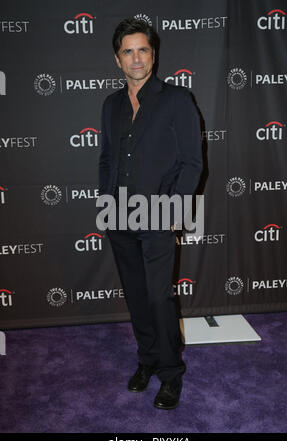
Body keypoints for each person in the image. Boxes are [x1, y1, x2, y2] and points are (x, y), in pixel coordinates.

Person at [98, 18, 203, 409]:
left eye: (143, 49)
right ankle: (146, 361)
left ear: (153, 55)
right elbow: (106, 158)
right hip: (118, 216)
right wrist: (104, 201)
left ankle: (171, 373)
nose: (136, 58)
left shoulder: (177, 99)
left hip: (158, 215)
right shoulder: (110, 104)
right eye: (128, 51)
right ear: (117, 59)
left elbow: (193, 161)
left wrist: (176, 206)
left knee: (159, 299)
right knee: (138, 298)